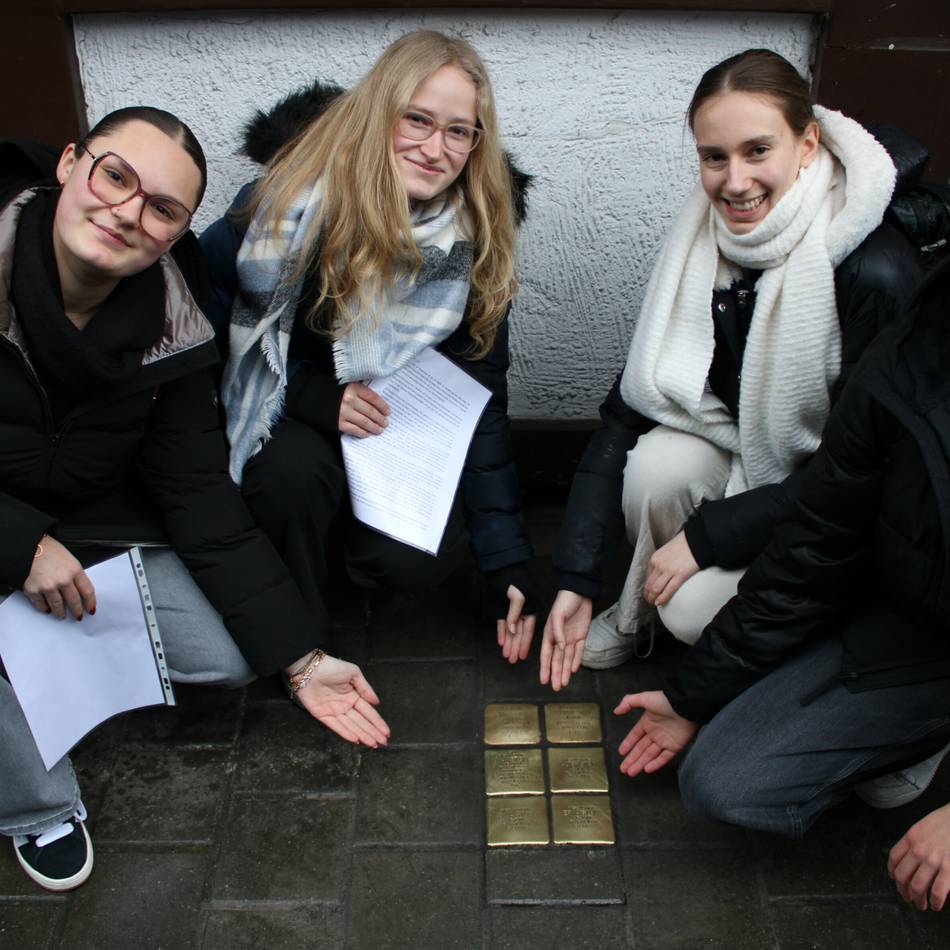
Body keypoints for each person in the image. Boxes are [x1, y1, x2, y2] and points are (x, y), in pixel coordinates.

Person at [0, 108, 389, 893]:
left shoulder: (174, 325)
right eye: (116, 176)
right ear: (72, 162)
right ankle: (32, 803)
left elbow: (197, 492)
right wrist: (20, 546)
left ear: (177, 234)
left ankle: (39, 656)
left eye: (162, 208)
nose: (127, 212)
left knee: (226, 654)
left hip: (91, 521)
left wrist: (300, 656)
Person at [541, 48, 926, 690]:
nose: (734, 181)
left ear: (807, 144)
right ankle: (640, 609)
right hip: (749, 458)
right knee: (657, 466)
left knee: (694, 612)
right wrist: (576, 579)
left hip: (847, 512)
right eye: (713, 157)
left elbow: (865, 478)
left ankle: (835, 677)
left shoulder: (871, 268)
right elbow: (626, 409)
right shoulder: (703, 241)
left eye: (757, 151)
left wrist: (712, 535)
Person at [614, 255, 950, 913]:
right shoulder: (920, 341)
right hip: (915, 630)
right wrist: (693, 697)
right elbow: (818, 541)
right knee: (722, 781)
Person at [200, 30, 539, 662]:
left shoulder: (475, 239)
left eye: (459, 131)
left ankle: (342, 544)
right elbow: (208, 331)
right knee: (290, 479)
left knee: (417, 566)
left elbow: (479, 397)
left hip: (395, 436)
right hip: (292, 420)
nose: (436, 149)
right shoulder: (282, 207)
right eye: (417, 119)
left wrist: (506, 562)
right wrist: (308, 394)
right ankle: (297, 640)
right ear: (378, 113)